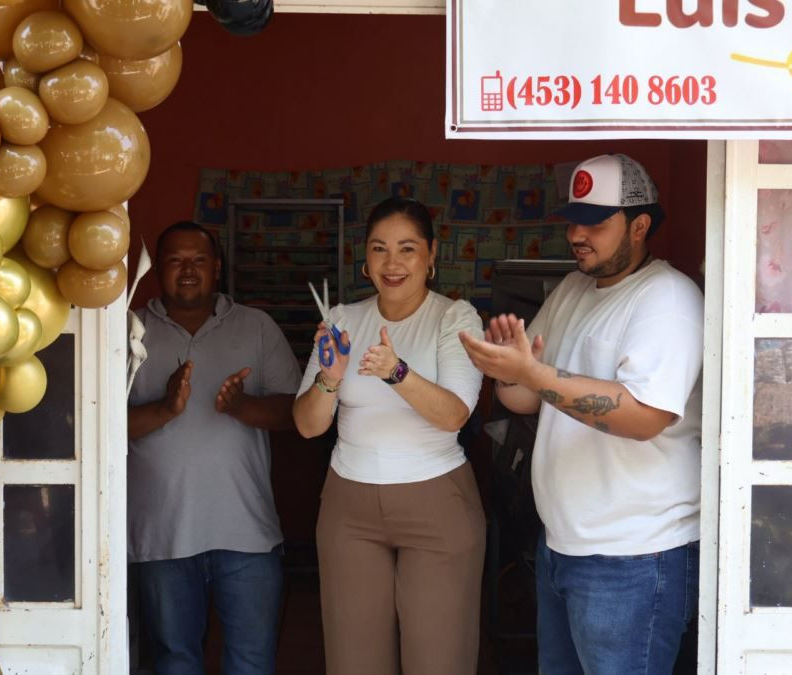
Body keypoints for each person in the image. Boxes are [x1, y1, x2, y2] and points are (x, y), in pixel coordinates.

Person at [460, 154, 704, 675]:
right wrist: (506, 370)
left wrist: (533, 373)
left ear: (639, 225)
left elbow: (645, 416)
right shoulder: (573, 289)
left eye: (595, 223)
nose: (576, 235)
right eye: (572, 220)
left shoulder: (668, 299)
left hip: (634, 557)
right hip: (562, 546)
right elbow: (527, 398)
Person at [292, 196, 486, 675]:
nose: (392, 263)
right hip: (349, 505)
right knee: (353, 658)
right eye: (379, 249)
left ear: (431, 254)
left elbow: (454, 415)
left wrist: (396, 372)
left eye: (407, 248)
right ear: (365, 257)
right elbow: (308, 425)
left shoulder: (454, 317)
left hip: (436, 499)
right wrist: (330, 376)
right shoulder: (342, 320)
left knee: (439, 658)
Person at [127, 221, 301, 675]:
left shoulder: (256, 326)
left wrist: (243, 407)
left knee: (251, 663)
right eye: (175, 260)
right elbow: (98, 426)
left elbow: (298, 413)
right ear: (157, 270)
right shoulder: (129, 329)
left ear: (217, 268)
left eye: (199, 260)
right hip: (161, 536)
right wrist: (164, 408)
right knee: (174, 663)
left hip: (247, 534)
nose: (188, 270)